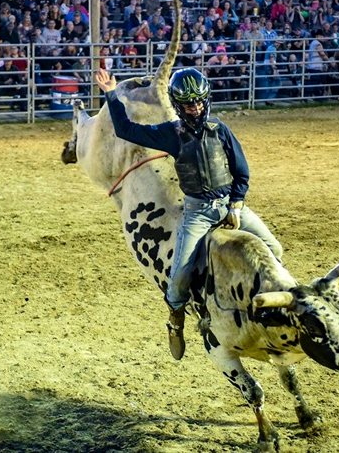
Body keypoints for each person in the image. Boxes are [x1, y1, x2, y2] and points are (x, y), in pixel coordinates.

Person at [95, 67, 282, 360]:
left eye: (198, 101)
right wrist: (110, 94)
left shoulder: (221, 131)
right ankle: (176, 320)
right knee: (179, 274)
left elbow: (241, 171)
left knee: (274, 248)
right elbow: (127, 130)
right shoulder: (171, 134)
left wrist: (236, 204)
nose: (194, 107)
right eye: (188, 103)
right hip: (196, 214)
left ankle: (273, 302)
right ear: (179, 105)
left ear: (205, 100)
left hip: (228, 205)